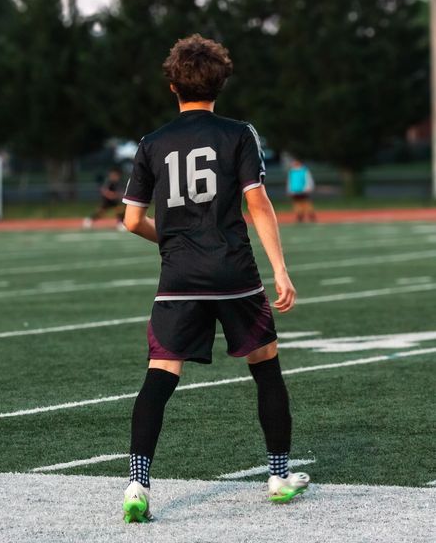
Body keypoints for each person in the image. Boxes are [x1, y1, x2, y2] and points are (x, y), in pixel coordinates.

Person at [121, 34, 309, 523]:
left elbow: (130, 220)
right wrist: (281, 268)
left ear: (172, 87)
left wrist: (174, 242)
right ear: (220, 84)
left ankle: (137, 484)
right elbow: (258, 203)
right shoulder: (238, 133)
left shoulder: (152, 143)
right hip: (235, 274)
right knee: (265, 367)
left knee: (160, 377)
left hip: (178, 277)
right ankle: (279, 475)